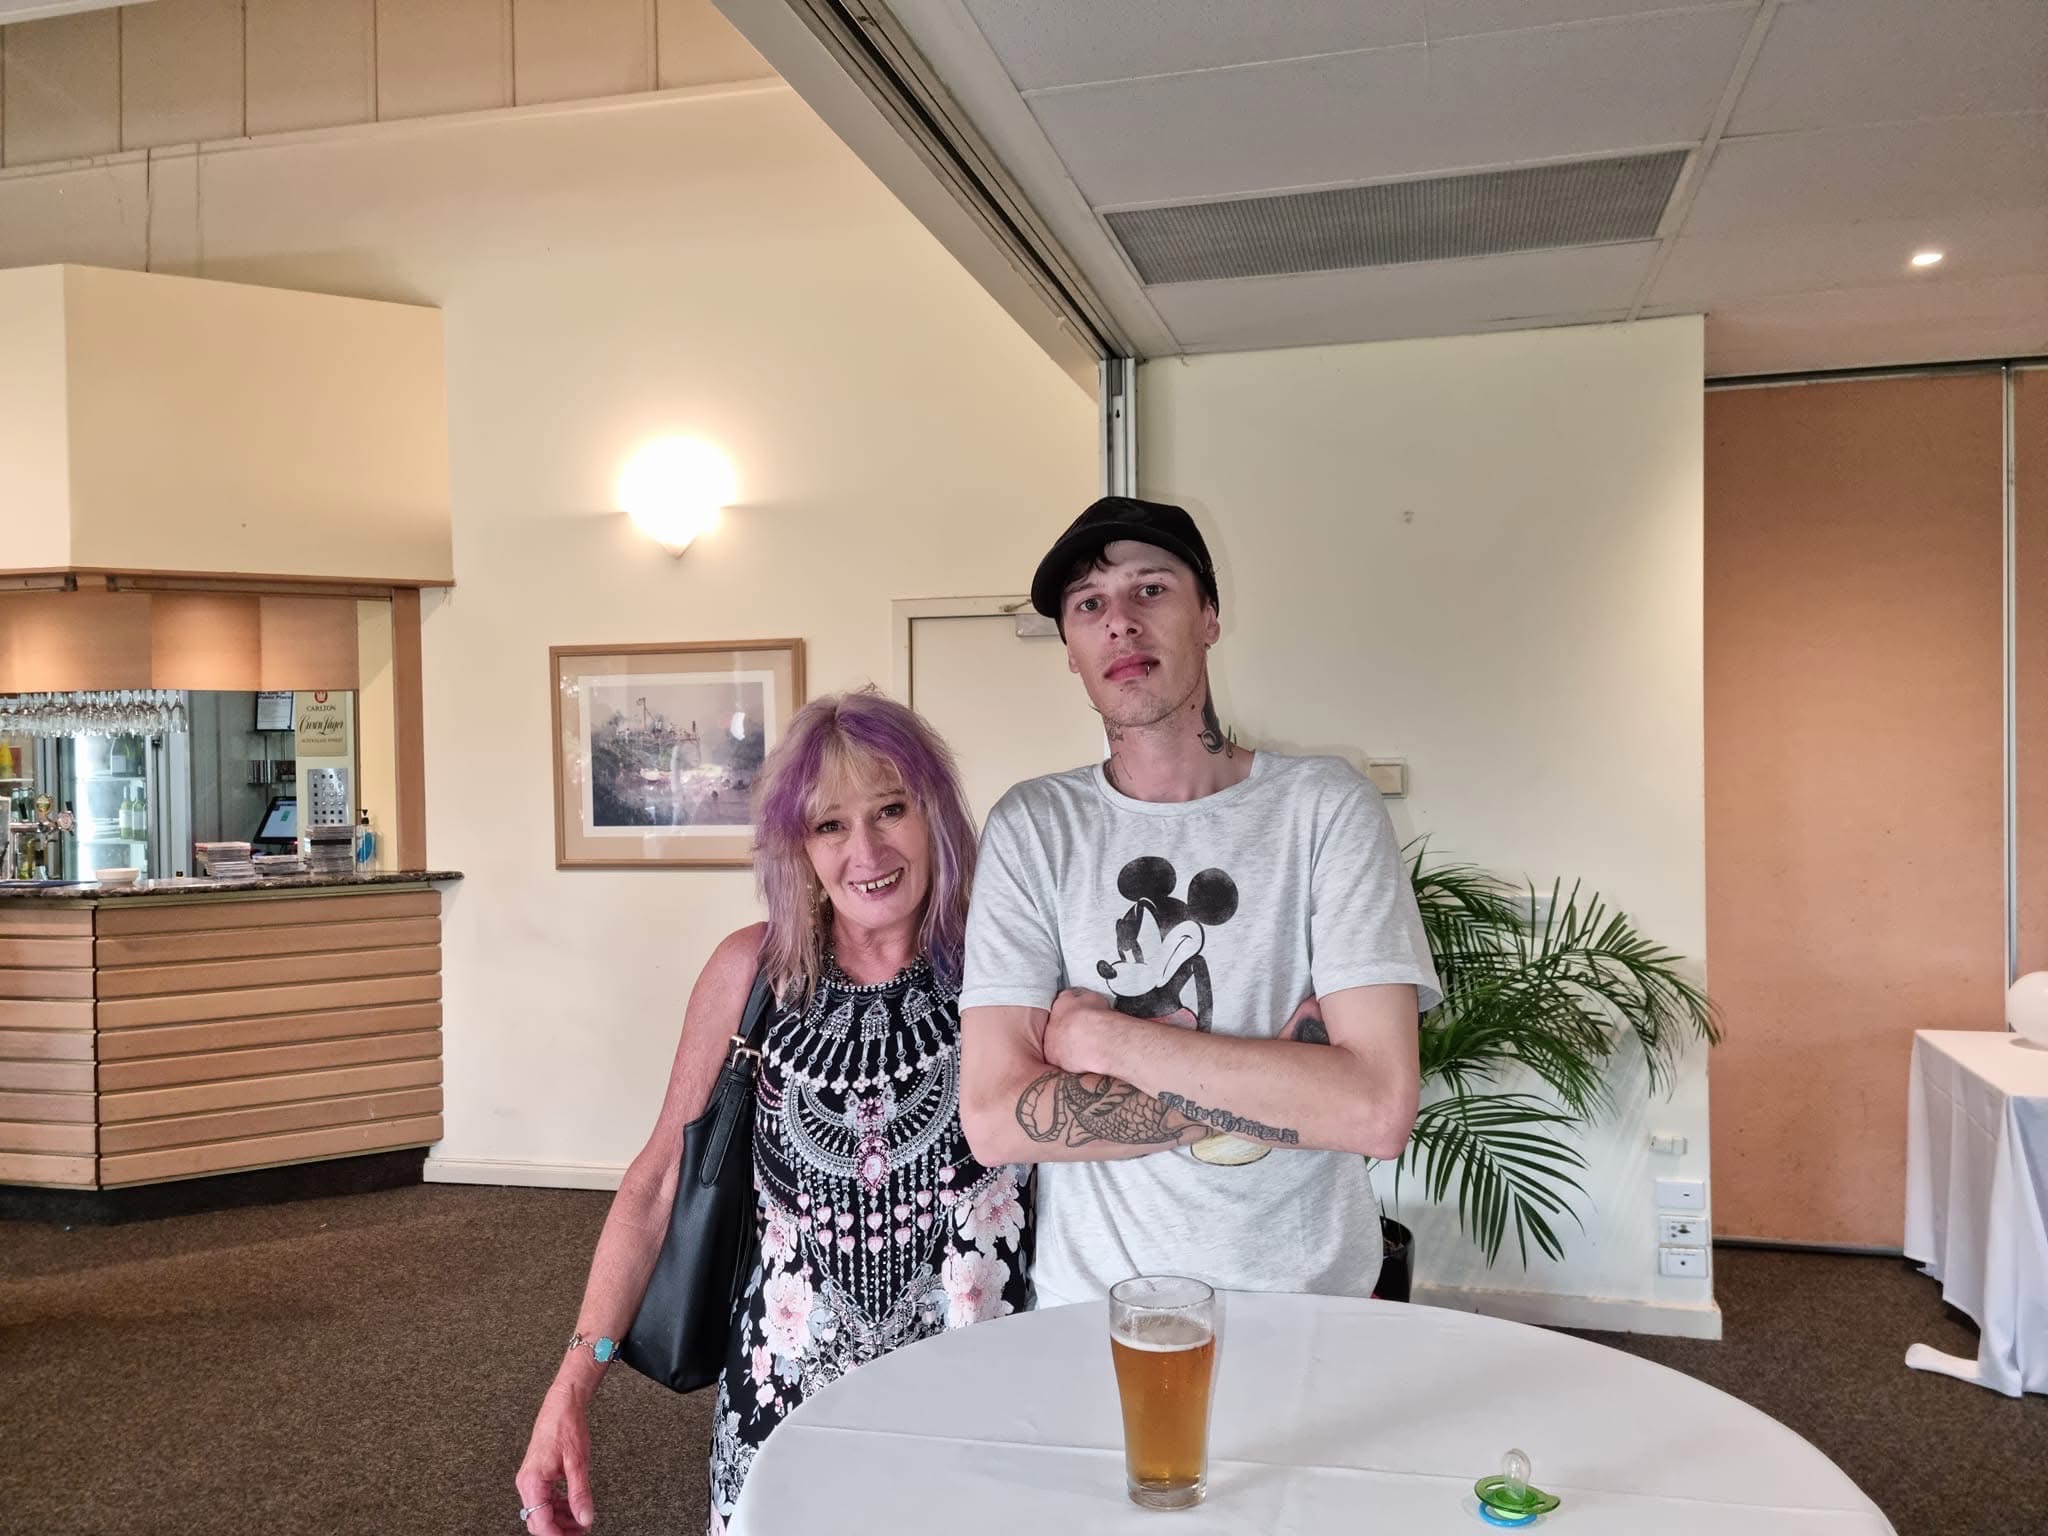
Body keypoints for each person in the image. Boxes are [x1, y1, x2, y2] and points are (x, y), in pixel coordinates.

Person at [517, 690, 1030, 1536]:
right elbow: (657, 1183)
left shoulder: (1011, 963)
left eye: (891, 810)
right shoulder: (752, 973)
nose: (866, 851)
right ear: (798, 846)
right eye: (830, 825)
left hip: (976, 1417)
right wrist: (571, 1387)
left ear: (934, 814)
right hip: (786, 1420)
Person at [958, 495, 1441, 1308]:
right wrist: (1285, 1088)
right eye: (1088, 605)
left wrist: (1102, 1039)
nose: (1120, 622)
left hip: (1310, 1306)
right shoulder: (1033, 828)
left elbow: (1375, 1110)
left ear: (1210, 617)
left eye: (1150, 590)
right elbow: (996, 1118)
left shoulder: (1326, 809)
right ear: (1070, 650)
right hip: (1097, 1316)